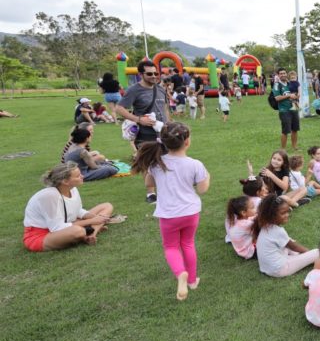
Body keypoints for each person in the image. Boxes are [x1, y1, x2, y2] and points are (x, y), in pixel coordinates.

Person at [131, 122, 210, 300]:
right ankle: (191, 280)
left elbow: (148, 184)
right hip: (191, 212)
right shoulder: (195, 164)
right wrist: (208, 177)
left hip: (168, 215)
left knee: (171, 246)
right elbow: (203, 189)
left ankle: (180, 273)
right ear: (187, 141)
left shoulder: (156, 164)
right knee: (188, 243)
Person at [22, 162, 115, 252]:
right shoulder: (49, 195)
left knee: (107, 206)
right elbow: (57, 227)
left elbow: (78, 211)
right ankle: (89, 231)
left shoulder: (73, 189)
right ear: (65, 181)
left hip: (67, 223)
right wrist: (92, 221)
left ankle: (92, 234)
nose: (82, 176)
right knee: (78, 231)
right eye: (78, 176)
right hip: (41, 235)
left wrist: (97, 218)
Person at [115, 59, 171, 203]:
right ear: (141, 74)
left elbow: (165, 107)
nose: (154, 76)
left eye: (156, 73)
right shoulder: (134, 90)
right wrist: (139, 119)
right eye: (149, 73)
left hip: (163, 132)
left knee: (167, 160)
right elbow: (119, 108)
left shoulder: (160, 88)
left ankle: (166, 188)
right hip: (146, 133)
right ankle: (150, 193)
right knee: (149, 163)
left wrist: (169, 124)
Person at [254, 194, 319, 278]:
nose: (287, 215)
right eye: (283, 213)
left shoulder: (265, 226)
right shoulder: (278, 231)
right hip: (280, 269)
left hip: (267, 268)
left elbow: (290, 245)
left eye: (288, 211)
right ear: (271, 215)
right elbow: (295, 247)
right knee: (317, 252)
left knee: (289, 243)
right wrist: (310, 254)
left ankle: (299, 257)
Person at [273, 68, 300, 151]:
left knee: (295, 129)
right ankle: (283, 149)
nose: (283, 75)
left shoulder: (290, 83)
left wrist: (297, 96)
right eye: (281, 73)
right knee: (285, 131)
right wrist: (289, 96)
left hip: (294, 109)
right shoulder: (277, 85)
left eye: (284, 73)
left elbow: (297, 92)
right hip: (284, 110)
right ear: (278, 75)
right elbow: (277, 98)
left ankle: (294, 147)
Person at [225, 196, 257, 260]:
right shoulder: (246, 225)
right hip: (249, 252)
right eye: (252, 207)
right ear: (243, 213)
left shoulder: (236, 219)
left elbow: (253, 218)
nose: (255, 209)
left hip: (240, 250)